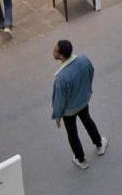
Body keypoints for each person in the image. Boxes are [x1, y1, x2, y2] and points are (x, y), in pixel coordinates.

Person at [49, 39, 106, 168]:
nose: (53, 50)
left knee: (72, 133)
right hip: (83, 101)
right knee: (88, 121)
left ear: (61, 55)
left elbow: (59, 100)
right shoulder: (84, 60)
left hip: (69, 111)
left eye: (55, 49)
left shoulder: (61, 78)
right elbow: (91, 72)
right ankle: (99, 144)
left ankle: (81, 159)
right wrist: (87, 90)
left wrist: (57, 116)